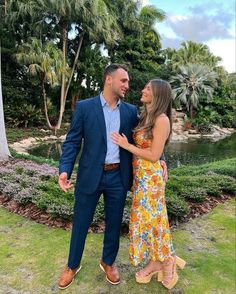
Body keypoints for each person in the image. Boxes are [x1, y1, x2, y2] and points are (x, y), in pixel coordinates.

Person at [57, 64, 167, 290]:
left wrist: (162, 157)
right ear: (109, 79)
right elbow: (72, 142)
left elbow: (145, 137)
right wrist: (64, 170)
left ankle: (108, 262)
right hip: (90, 176)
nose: (128, 85)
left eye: (127, 82)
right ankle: (72, 265)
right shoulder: (85, 108)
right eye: (124, 81)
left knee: (114, 224)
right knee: (81, 223)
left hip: (118, 177)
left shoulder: (129, 111)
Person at [112, 79, 186, 290]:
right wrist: (162, 159)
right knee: (147, 221)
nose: (142, 90)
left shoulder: (162, 120)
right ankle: (155, 262)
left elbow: (153, 155)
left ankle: (167, 260)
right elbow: (156, 151)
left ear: (158, 95)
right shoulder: (146, 116)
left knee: (156, 221)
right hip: (141, 178)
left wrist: (127, 146)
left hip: (151, 180)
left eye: (148, 89)